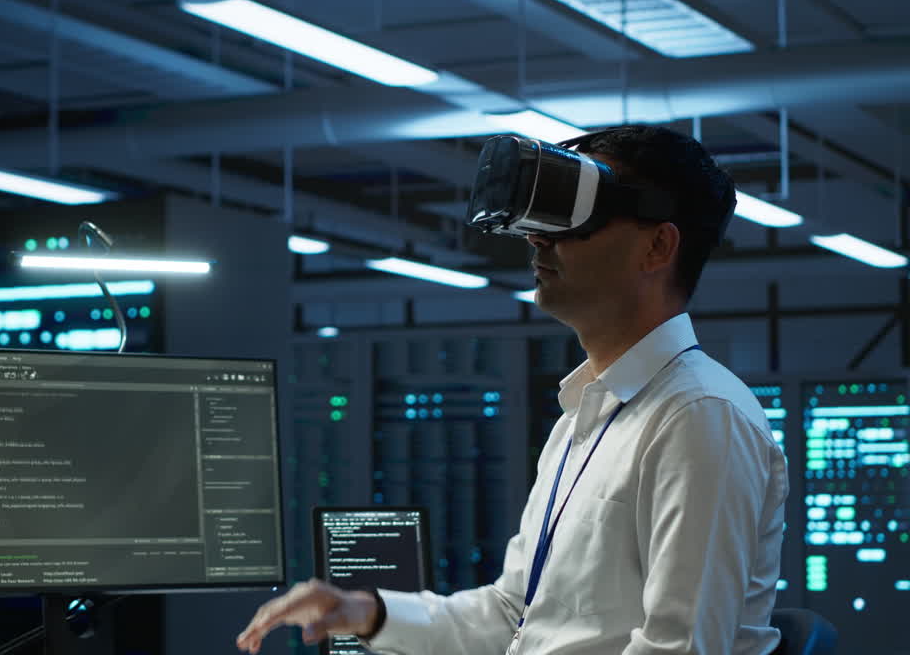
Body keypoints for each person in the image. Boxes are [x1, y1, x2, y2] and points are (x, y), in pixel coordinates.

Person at [236, 125, 788, 655]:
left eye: (577, 220)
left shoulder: (698, 415)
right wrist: (369, 613)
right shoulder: (584, 417)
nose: (537, 237)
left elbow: (681, 649)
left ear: (657, 248)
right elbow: (513, 615)